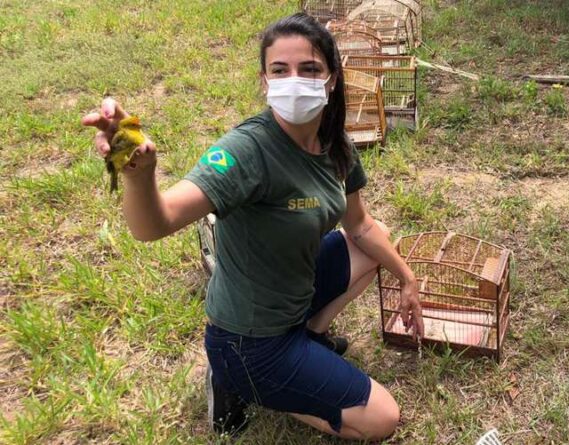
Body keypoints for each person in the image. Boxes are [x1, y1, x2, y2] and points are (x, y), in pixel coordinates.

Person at [81, 13, 425, 441]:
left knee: (375, 245)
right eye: (280, 70)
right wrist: (139, 173)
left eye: (310, 69)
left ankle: (308, 340)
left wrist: (407, 277)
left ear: (331, 79)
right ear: (265, 81)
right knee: (382, 419)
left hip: (290, 300)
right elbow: (157, 222)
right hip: (248, 341)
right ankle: (237, 382)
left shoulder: (336, 144)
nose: (294, 80)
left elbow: (361, 226)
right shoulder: (246, 151)